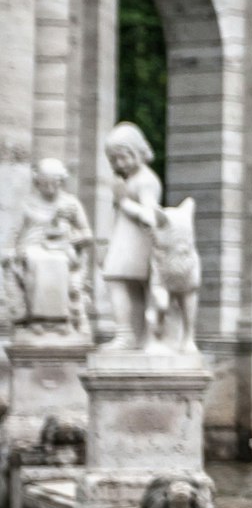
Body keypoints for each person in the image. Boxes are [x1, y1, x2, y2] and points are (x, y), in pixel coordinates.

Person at [7, 158, 93, 337]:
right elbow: (14, 233)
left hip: (63, 248)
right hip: (31, 248)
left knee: (58, 261)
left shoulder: (70, 203)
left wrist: (76, 238)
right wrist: (12, 251)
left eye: (54, 183)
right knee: (36, 260)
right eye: (45, 183)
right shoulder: (27, 203)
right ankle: (38, 319)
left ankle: (61, 320)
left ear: (61, 182)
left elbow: (87, 233)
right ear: (37, 181)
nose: (50, 188)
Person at [100, 121, 163, 348]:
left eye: (123, 157)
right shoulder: (130, 180)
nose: (119, 164)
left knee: (116, 279)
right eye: (114, 159)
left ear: (137, 151)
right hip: (126, 238)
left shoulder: (146, 180)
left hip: (137, 242)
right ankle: (135, 335)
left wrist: (124, 202)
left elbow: (150, 213)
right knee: (127, 285)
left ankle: (127, 334)